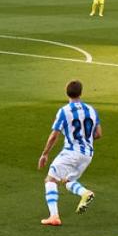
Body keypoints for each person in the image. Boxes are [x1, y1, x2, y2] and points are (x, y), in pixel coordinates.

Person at [37, 79, 100, 226]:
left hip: (71, 153)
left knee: (50, 180)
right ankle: (85, 193)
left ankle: (54, 216)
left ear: (67, 93)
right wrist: (85, 140)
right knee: (67, 180)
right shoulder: (91, 110)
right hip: (88, 154)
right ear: (81, 93)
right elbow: (98, 134)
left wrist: (45, 154)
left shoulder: (64, 111)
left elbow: (54, 135)